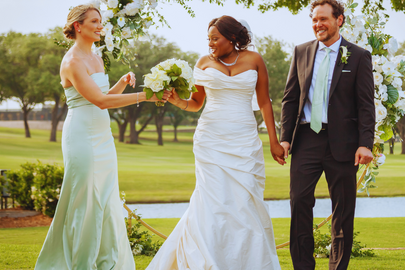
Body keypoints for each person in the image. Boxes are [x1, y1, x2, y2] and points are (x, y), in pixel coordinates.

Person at [34, 4, 170, 270]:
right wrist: (146, 95)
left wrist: (120, 82)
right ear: (78, 26)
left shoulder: (95, 57)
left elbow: (104, 95)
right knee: (85, 200)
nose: (100, 26)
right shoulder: (72, 62)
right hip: (82, 136)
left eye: (100, 21)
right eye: (94, 21)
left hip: (103, 136)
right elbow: (99, 101)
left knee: (106, 199)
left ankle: (107, 263)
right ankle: (80, 264)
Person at [146, 15, 285, 270]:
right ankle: (208, 261)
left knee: (244, 202)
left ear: (232, 38)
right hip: (210, 139)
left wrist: (274, 142)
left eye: (215, 38)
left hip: (244, 139)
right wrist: (177, 101)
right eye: (208, 38)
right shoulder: (203, 63)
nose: (210, 43)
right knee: (212, 201)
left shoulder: (254, 60)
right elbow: (197, 103)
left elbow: (265, 102)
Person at [280, 0, 375, 269]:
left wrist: (365, 144)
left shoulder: (358, 56)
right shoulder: (300, 52)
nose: (318, 24)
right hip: (306, 139)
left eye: (323, 19)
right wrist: (285, 138)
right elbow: (290, 99)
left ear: (339, 20)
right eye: (314, 20)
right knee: (299, 203)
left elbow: (366, 105)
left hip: (344, 144)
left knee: (342, 212)